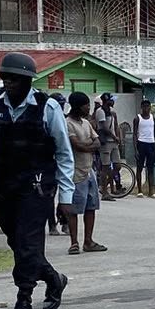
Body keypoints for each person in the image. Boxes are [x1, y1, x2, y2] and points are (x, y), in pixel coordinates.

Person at [0, 53, 73, 309]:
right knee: (19, 244)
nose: (8, 83)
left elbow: (63, 153)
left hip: (36, 187)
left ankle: (23, 304)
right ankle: (53, 279)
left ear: (28, 80)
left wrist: (66, 198)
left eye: (14, 78)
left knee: (27, 244)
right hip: (3, 185)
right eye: (5, 77)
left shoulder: (47, 108)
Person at [63, 91, 107, 254]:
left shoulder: (86, 123)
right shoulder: (68, 123)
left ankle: (88, 241)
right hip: (75, 173)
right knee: (74, 209)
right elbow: (77, 145)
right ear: (77, 107)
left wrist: (86, 145)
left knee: (91, 207)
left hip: (89, 171)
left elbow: (97, 142)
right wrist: (88, 145)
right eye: (86, 105)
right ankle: (74, 242)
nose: (88, 108)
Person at [134, 98, 155, 196]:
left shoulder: (153, 118)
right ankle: (140, 190)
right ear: (141, 107)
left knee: (151, 168)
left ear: (150, 107)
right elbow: (134, 134)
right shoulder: (137, 118)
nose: (146, 108)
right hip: (141, 143)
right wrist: (135, 149)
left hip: (151, 144)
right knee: (139, 167)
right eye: (144, 106)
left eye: (147, 106)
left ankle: (151, 191)